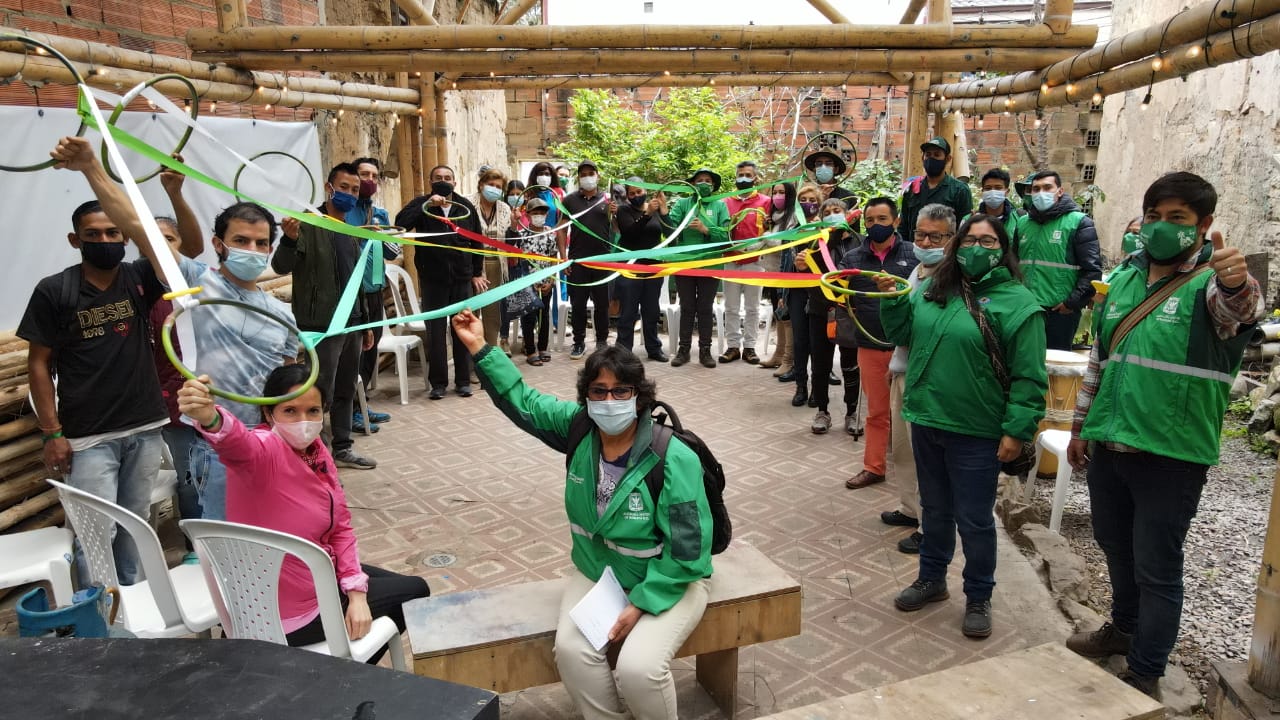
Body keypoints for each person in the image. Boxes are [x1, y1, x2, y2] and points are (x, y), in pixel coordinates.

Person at [453, 308, 713, 720]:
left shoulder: (672, 456)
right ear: (586, 396)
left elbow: (688, 550)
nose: (609, 400)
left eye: (621, 391)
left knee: (639, 669)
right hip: (600, 573)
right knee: (572, 653)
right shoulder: (580, 430)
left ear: (639, 396)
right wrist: (481, 347)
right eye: (598, 391)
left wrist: (643, 603)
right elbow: (525, 401)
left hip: (669, 579)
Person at [1064, 172, 1263, 695]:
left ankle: (1146, 671)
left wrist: (1237, 281)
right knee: (1114, 545)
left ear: (1204, 225)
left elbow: (1236, 313)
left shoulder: (1213, 284)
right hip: (1109, 441)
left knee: (1157, 565)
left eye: (1177, 218)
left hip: (1170, 453)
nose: (1161, 227)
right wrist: (1080, 426)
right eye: (1154, 216)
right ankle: (1123, 631)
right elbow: (1098, 361)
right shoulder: (1124, 279)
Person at [177, 365, 429, 663]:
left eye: (313, 411)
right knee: (414, 591)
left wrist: (356, 592)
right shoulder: (263, 451)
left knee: (384, 583)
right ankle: (341, 679)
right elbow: (235, 441)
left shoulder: (317, 451)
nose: (304, 422)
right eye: (290, 411)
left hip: (315, 575)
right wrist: (210, 417)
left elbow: (341, 527)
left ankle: (342, 670)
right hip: (283, 614)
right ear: (269, 414)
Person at [878, 213, 1047, 640]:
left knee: (974, 518)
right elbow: (900, 333)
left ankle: (978, 595)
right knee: (934, 509)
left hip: (977, 429)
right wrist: (895, 298)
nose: (976, 248)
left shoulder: (1018, 304)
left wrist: (1016, 430)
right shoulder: (935, 290)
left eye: (988, 242)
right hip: (927, 418)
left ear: (1003, 250)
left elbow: (1029, 377)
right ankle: (932, 580)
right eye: (969, 240)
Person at [272, 163, 378, 470]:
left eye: (355, 190)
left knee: (346, 388)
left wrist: (367, 320)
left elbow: (356, 280)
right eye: (343, 187)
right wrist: (289, 239)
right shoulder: (308, 224)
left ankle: (343, 447)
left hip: (355, 323)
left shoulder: (350, 230)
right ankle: (318, 455)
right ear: (329, 188)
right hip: (321, 325)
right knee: (320, 392)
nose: (349, 194)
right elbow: (281, 266)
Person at [880, 203, 954, 555]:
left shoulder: (953, 279)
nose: (925, 241)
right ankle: (912, 510)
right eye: (920, 234)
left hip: (928, 380)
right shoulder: (919, 270)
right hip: (903, 373)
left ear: (952, 239)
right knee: (903, 450)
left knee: (927, 457)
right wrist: (894, 366)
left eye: (935, 236)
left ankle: (930, 527)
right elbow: (903, 327)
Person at [840, 197, 918, 483]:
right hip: (870, 344)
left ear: (896, 222)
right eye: (870, 221)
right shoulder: (853, 259)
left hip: (909, 346)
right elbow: (837, 294)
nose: (876, 225)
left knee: (912, 412)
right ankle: (874, 467)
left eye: (882, 219)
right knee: (877, 411)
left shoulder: (914, 254)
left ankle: (915, 471)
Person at [394, 165, 486, 400]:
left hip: (461, 278)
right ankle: (438, 384)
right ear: (430, 182)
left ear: (454, 183)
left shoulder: (465, 207)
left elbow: (477, 242)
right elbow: (401, 223)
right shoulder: (421, 204)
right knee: (435, 334)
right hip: (432, 280)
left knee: (462, 329)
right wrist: (428, 205)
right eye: (438, 178)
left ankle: (463, 381)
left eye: (448, 178)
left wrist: (476, 273)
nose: (443, 181)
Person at [1011, 169, 1102, 351]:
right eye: (1036, 189)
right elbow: (1013, 263)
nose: (1040, 193)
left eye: (1047, 187)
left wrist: (1072, 303)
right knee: (1022, 361)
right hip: (1026, 308)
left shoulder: (1079, 222)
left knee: (1054, 366)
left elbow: (1092, 270)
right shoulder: (1022, 223)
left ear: (1059, 191)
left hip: (1059, 312)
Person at [795, 198, 861, 431]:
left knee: (851, 364)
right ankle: (822, 411)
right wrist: (800, 265)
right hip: (819, 311)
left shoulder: (860, 242)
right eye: (828, 212)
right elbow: (802, 277)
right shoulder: (814, 244)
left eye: (837, 211)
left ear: (847, 214)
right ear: (820, 219)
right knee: (820, 364)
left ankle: (852, 412)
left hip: (851, 313)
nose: (833, 215)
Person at [348, 157, 399, 433]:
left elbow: (393, 252)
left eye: (374, 176)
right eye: (363, 174)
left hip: (375, 290)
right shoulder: (346, 213)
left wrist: (384, 234)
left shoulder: (379, 212)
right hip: (353, 294)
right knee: (354, 354)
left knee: (370, 350)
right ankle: (350, 411)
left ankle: (361, 401)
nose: (369, 180)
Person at [668, 168, 731, 369]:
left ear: (713, 185)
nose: (703, 183)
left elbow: (726, 236)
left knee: (705, 308)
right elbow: (669, 228)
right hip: (685, 264)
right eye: (699, 180)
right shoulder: (682, 203)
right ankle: (683, 350)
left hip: (710, 264)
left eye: (707, 180)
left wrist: (706, 230)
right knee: (686, 307)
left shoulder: (720, 206)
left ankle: (705, 351)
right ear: (692, 184)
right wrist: (664, 212)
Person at [717, 161, 773, 365]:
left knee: (752, 307)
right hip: (731, 259)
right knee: (730, 306)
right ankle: (732, 346)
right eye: (740, 174)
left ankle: (750, 347)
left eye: (748, 175)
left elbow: (772, 230)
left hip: (755, 261)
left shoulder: (766, 202)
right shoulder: (724, 202)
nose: (744, 178)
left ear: (755, 178)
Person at [559, 160, 615, 360]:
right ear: (579, 178)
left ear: (598, 176)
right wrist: (564, 258)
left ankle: (602, 342)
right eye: (583, 174)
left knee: (602, 305)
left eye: (591, 173)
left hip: (603, 261)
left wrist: (615, 214)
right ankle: (578, 342)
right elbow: (561, 229)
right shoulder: (570, 200)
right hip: (577, 261)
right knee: (578, 304)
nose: (587, 177)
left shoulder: (608, 200)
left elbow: (616, 230)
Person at [614, 177, 670, 361]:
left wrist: (663, 212)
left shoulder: (655, 209)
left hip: (653, 266)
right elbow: (630, 233)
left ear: (645, 191)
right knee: (628, 310)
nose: (636, 195)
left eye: (639, 192)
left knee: (651, 310)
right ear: (628, 195)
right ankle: (623, 351)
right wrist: (647, 214)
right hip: (630, 265)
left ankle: (654, 349)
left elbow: (672, 237)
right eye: (632, 193)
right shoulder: (623, 211)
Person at [779, 184, 823, 389]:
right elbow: (784, 262)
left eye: (813, 200)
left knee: (818, 341)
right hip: (795, 289)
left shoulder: (826, 229)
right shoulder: (791, 229)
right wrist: (782, 292)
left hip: (819, 291)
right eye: (803, 200)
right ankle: (800, 386)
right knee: (799, 339)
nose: (808, 204)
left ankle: (817, 387)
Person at [506, 197, 558, 365]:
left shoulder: (550, 233)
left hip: (545, 283)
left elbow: (553, 257)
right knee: (528, 317)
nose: (538, 216)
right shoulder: (521, 235)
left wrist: (551, 281)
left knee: (544, 316)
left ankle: (543, 347)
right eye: (535, 213)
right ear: (527, 215)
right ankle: (530, 350)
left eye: (542, 213)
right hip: (527, 283)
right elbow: (514, 258)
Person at [899, 137, 973, 244]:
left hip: (944, 254)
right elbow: (903, 225)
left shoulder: (959, 190)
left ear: (947, 159)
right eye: (928, 155)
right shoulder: (912, 188)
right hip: (915, 252)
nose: (931, 158)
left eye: (937, 155)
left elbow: (964, 228)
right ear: (922, 158)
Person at [471, 167, 514, 350]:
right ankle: (472, 361)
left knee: (492, 315)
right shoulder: (467, 205)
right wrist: (473, 273)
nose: (494, 189)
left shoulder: (504, 209)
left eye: (498, 187)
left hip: (497, 265)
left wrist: (516, 223)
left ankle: (490, 358)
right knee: (472, 313)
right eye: (491, 185)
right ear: (481, 185)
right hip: (472, 267)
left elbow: (510, 240)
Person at [760, 182, 799, 373]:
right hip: (771, 275)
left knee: (787, 317)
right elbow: (764, 243)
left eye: (782, 192)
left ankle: (788, 359)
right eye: (774, 192)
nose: (777, 196)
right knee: (779, 315)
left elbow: (780, 243)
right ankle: (778, 354)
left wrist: (766, 234)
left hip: (786, 275)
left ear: (790, 195)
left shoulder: (793, 217)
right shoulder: (773, 219)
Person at [976, 168, 1022, 234]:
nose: (993, 191)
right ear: (983, 191)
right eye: (988, 188)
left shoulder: (1019, 219)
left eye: (998, 188)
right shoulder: (969, 220)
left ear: (1007, 192)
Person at [526, 162, 561, 226]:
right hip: (532, 233)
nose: (544, 177)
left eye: (547, 174)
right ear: (535, 176)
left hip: (553, 234)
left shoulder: (556, 195)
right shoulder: (527, 195)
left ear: (552, 177)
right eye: (541, 174)